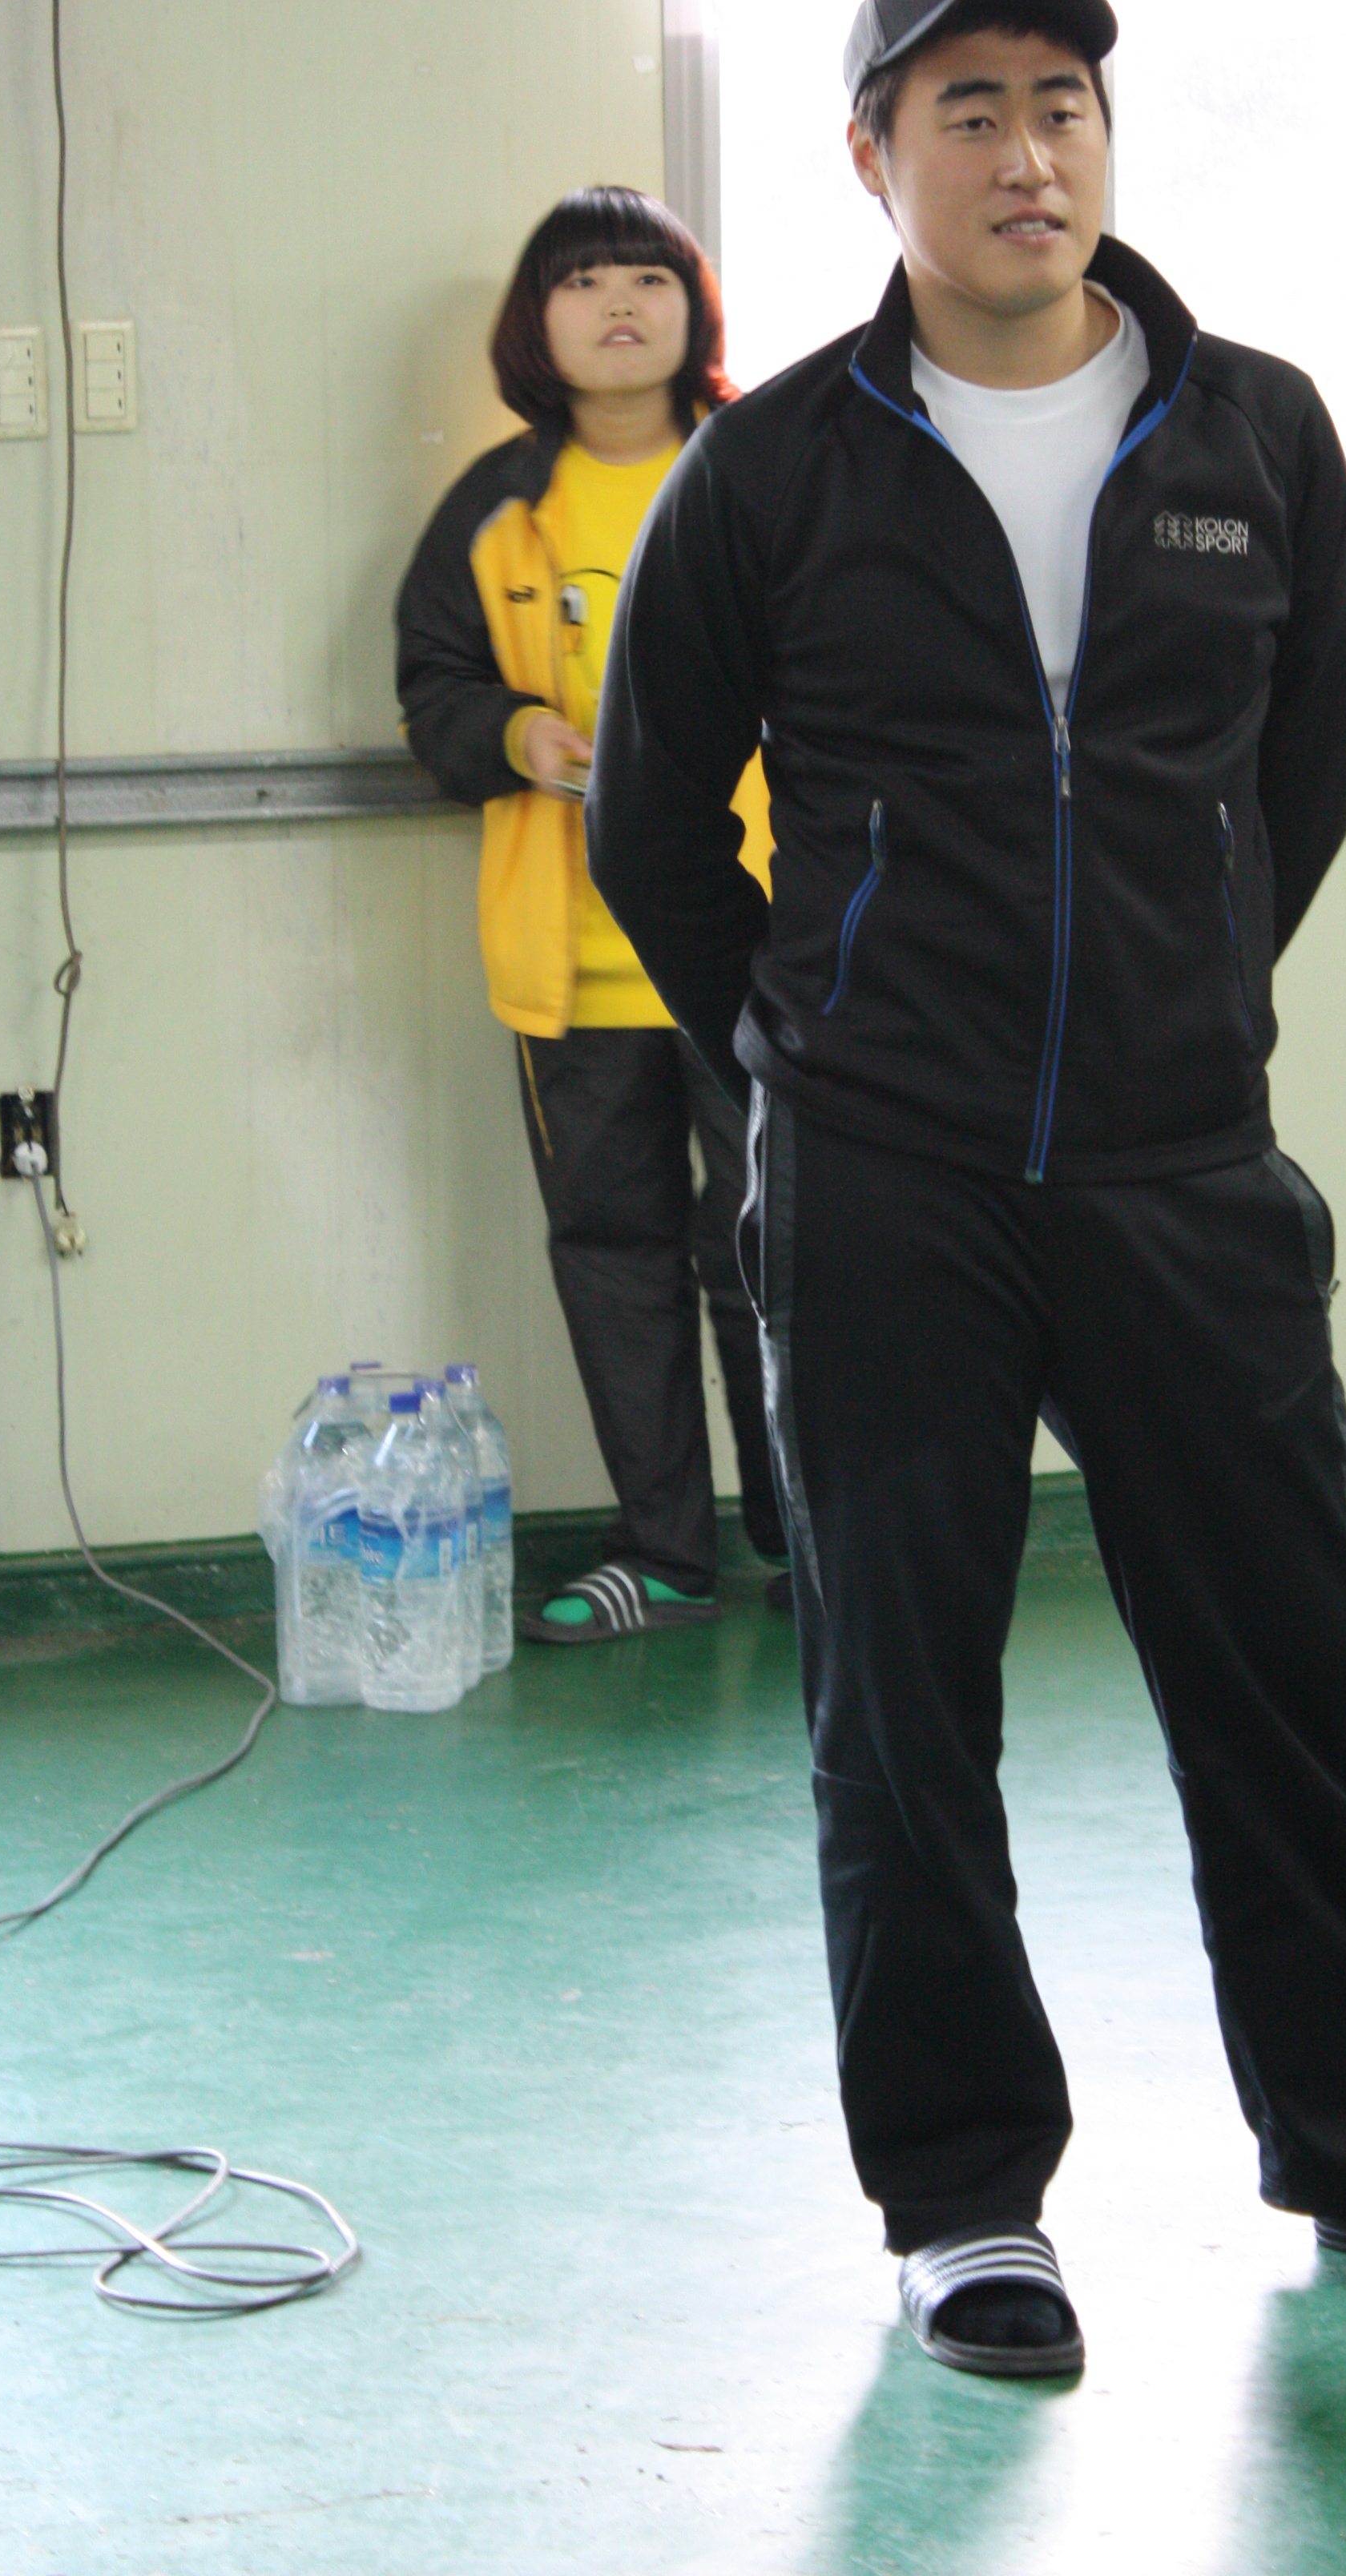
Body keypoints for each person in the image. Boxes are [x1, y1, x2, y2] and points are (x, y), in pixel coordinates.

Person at [586, 0, 1346, 2372]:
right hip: (888, 1184)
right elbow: (652, 823)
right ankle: (965, 2197)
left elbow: (1300, 778)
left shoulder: (1256, 435)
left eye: (1062, 101)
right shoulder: (774, 469)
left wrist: (1191, 999)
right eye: (968, 108)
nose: (1027, 150)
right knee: (900, 1709)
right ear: (874, 157)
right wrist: (810, 1055)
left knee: (1286, 1674)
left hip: (1186, 1169)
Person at [395, 185, 786, 1643]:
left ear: (695, 310)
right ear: (535, 324)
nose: (619, 303)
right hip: (570, 968)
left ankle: (816, 1541)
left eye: (648, 277)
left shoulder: (762, 470)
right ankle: (665, 1551)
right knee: (614, 1258)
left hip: (760, 958)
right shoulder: (496, 507)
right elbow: (434, 684)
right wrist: (516, 735)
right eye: (583, 282)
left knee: (780, 1254)